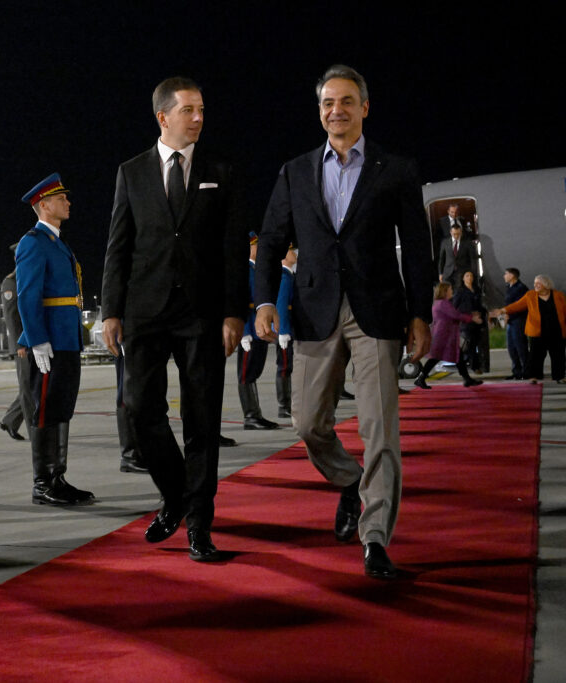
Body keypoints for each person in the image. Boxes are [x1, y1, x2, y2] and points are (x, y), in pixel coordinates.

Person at [254, 65, 432, 580]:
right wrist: (263, 301)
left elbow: (416, 249)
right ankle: (351, 482)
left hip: (377, 310)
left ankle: (375, 538)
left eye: (347, 101)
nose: (337, 110)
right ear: (319, 111)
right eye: (329, 102)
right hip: (315, 310)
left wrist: (420, 313)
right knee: (308, 423)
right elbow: (271, 240)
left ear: (365, 108)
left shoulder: (395, 169)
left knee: (380, 429)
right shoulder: (295, 171)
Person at [101, 76, 248, 562]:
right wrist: (111, 310)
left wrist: (234, 311)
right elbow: (118, 246)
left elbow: (232, 248)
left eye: (202, 109)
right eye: (189, 110)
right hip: (145, 311)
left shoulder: (220, 170)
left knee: (202, 420)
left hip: (202, 315)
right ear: (162, 117)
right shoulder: (132, 172)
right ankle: (177, 494)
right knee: (140, 409)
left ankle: (199, 527)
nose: (199, 118)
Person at [16, 173, 95, 506]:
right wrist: (37, 339)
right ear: (44, 205)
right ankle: (42, 483)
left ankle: (57, 478)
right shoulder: (33, 242)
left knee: (61, 408)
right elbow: (27, 295)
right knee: (46, 409)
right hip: (48, 341)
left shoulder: (57, 242)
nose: (68, 202)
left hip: (66, 339)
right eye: (61, 198)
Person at [236, 234, 280, 431]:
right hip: (249, 329)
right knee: (246, 374)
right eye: (255, 246)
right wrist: (244, 332)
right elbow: (242, 302)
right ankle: (250, 415)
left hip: (259, 329)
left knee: (254, 371)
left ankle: (256, 413)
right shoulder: (244, 270)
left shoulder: (255, 269)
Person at [493, 274, 566, 384]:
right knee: (536, 356)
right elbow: (517, 305)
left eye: (538, 283)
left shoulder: (558, 295)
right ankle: (534, 377)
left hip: (556, 331)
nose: (535, 285)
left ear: (546, 284)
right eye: (534, 283)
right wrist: (503, 310)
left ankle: (559, 376)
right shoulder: (530, 295)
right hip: (537, 331)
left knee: (558, 355)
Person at [415, 283, 484, 388]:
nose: (452, 291)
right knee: (438, 357)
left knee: (456, 356)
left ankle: (467, 379)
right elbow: (455, 315)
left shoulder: (440, 303)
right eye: (450, 289)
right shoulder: (443, 304)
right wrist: (472, 318)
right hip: (444, 335)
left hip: (444, 334)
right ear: (445, 291)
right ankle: (421, 378)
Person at [0, 261, 30, 441]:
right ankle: (35, 432)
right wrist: (19, 345)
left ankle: (10, 420)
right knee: (28, 387)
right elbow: (11, 316)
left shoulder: (28, 278)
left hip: (34, 341)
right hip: (23, 346)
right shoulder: (11, 282)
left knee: (31, 387)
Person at [274, 247, 297, 418]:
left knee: (288, 366)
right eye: (290, 250)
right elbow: (281, 304)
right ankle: (284, 405)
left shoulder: (290, 275)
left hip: (291, 326)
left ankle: (288, 403)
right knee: (284, 366)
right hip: (286, 329)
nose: (294, 254)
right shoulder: (283, 275)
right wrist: (282, 330)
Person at [453, 271, 487, 373]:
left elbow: (481, 304)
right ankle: (473, 366)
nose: (469, 277)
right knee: (469, 343)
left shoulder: (477, 290)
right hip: (467, 321)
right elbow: (455, 307)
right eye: (467, 276)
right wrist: (469, 313)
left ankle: (474, 365)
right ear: (463, 278)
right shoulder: (460, 291)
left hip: (478, 320)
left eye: (471, 275)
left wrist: (481, 313)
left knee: (476, 343)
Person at [502, 268, 529, 380]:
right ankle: (516, 371)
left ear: (512, 275)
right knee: (511, 347)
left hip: (518, 320)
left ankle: (526, 371)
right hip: (511, 321)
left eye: (506, 274)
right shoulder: (509, 287)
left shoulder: (521, 288)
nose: (504, 276)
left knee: (521, 346)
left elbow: (521, 306)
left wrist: (509, 315)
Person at [437, 225, 477, 289]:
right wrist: (440, 273)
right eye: (454, 234)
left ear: (461, 232)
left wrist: (472, 273)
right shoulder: (445, 242)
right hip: (447, 273)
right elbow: (441, 259)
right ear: (450, 232)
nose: (456, 236)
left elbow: (473, 259)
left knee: (459, 292)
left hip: (461, 273)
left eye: (458, 234)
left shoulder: (467, 243)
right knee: (446, 292)